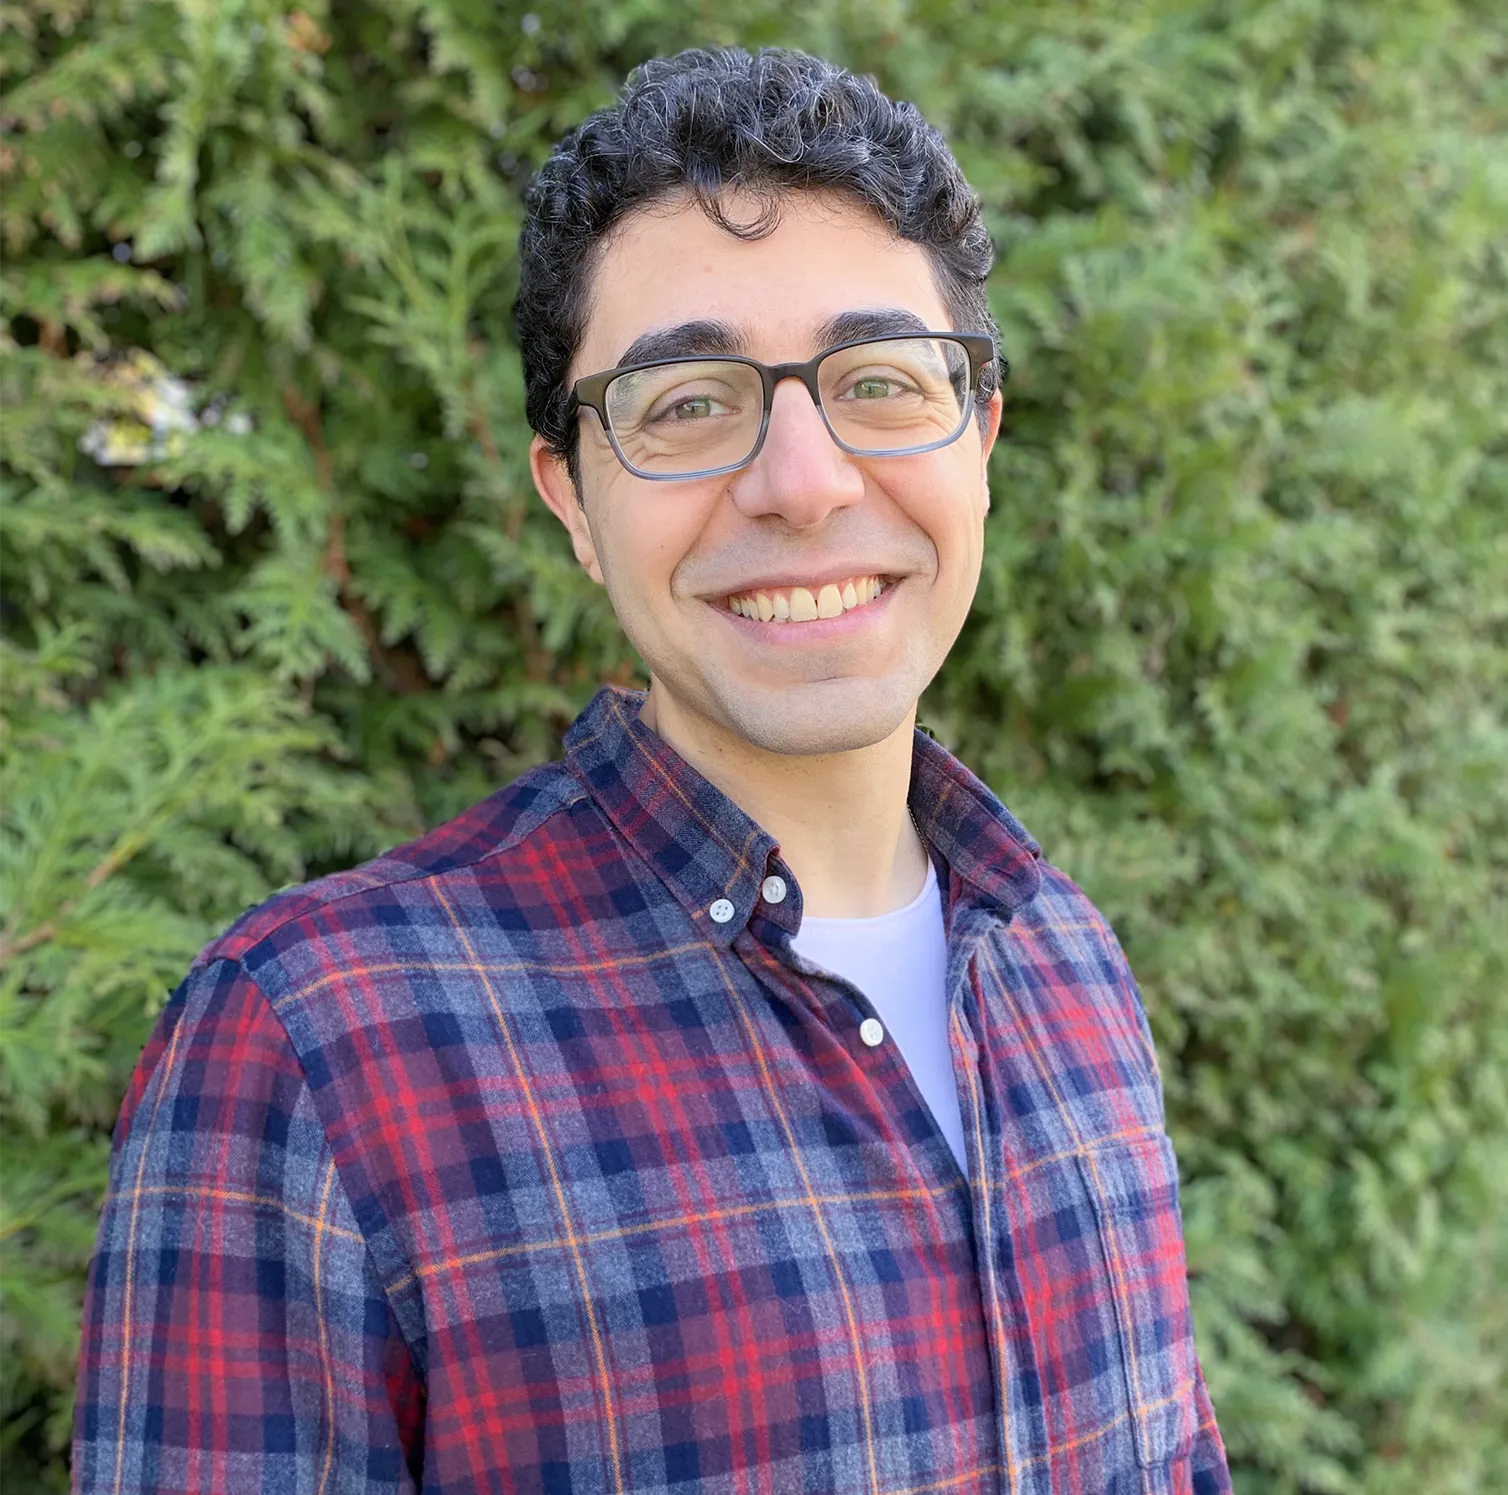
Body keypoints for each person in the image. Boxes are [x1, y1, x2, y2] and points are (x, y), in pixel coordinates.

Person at [74, 45, 1231, 1495]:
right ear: (571, 492)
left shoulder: (1065, 967)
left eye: (879, 382)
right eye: (688, 403)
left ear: (979, 437)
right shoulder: (318, 1049)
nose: (804, 481)